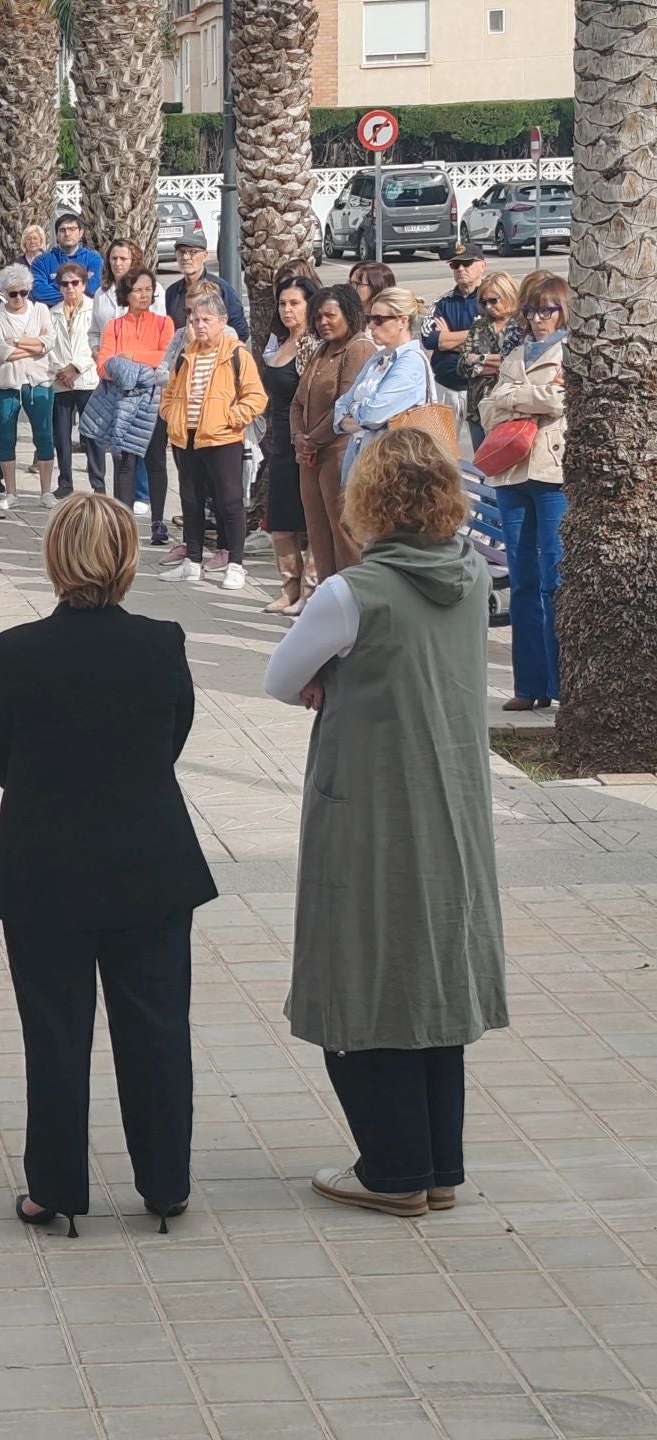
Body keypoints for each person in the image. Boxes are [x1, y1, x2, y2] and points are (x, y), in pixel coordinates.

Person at [262, 429, 504, 1217]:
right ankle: (439, 1166)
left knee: (361, 975)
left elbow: (277, 678)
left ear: (368, 500)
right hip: (455, 806)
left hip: (368, 806)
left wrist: (331, 673)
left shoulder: (350, 593)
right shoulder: (469, 576)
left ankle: (392, 1171)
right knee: (433, 976)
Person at [0, 493, 215, 1234]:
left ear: (53, 559)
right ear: (127, 560)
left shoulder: (15, 650)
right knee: (156, 1026)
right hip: (149, 859)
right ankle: (166, 1181)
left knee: (54, 1030)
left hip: (44, 864)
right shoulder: (162, 642)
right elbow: (173, 733)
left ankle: (53, 1187)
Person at [480, 272, 569, 712]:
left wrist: (514, 396)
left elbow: (561, 403)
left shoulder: (571, 351)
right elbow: (486, 406)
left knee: (554, 577)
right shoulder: (515, 352)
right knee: (523, 581)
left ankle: (561, 681)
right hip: (512, 473)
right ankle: (529, 684)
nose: (538, 319)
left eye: (547, 310)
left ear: (563, 310)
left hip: (551, 473)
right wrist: (531, 396)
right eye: (532, 310)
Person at [158, 287, 265, 590]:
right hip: (186, 437)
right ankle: (191, 560)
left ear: (222, 321)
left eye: (207, 319)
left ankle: (236, 563)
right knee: (190, 500)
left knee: (229, 501)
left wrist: (231, 418)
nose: (200, 325)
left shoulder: (235, 354)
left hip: (222, 438)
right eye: (195, 319)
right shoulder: (185, 355)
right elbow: (169, 390)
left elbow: (255, 397)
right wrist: (170, 413)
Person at [292, 285, 375, 581]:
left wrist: (313, 439)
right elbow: (298, 401)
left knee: (344, 532)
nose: (322, 322)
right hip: (310, 456)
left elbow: (347, 403)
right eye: (317, 317)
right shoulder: (321, 350)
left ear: (349, 315)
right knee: (318, 531)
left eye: (330, 315)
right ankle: (326, 598)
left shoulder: (358, 349)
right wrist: (299, 438)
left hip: (339, 453)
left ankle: (354, 598)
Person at [87, 269, 173, 523]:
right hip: (121, 403)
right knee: (123, 463)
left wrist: (131, 357)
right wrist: (143, 366)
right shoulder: (114, 326)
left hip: (154, 402)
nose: (144, 295)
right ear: (127, 293)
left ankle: (158, 521)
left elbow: (165, 359)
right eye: (138, 290)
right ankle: (121, 523)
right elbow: (104, 365)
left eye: (149, 290)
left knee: (156, 461)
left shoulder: (163, 323)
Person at [259, 276, 319, 614]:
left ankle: (309, 593)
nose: (287, 310)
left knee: (311, 522)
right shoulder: (279, 343)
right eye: (283, 303)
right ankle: (289, 588)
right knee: (280, 522)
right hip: (278, 443)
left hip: (305, 442)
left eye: (294, 303)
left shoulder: (312, 345)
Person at [332, 287, 431, 483]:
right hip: (362, 459)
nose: (370, 326)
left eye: (378, 320)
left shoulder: (411, 363)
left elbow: (372, 414)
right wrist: (359, 414)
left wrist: (355, 412)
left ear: (402, 321)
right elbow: (339, 408)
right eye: (369, 318)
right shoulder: (378, 358)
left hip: (397, 468)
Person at [0, 264, 54, 516]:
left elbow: (50, 342)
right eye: (13, 293)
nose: (19, 298)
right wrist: (34, 346)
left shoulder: (41, 310)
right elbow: (0, 351)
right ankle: (11, 493)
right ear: (4, 292)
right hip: (5, 384)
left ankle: (46, 491)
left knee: (44, 436)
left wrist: (16, 341)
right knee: (6, 438)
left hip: (38, 382)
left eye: (23, 292)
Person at [43, 264, 103, 506]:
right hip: (61, 382)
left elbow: (97, 344)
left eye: (74, 283)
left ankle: (98, 483)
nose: (70, 288)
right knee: (61, 435)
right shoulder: (51, 313)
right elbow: (46, 344)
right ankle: (65, 482)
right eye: (65, 283)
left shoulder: (94, 310)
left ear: (84, 285)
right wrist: (61, 370)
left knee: (91, 435)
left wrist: (76, 367)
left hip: (86, 380)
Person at [421, 241, 486, 447]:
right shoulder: (443, 303)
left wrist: (448, 338)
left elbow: (492, 341)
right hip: (446, 388)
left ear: (482, 265)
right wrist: (471, 337)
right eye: (455, 265)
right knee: (440, 452)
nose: (460, 269)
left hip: (480, 389)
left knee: (484, 452)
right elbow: (429, 339)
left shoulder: (492, 300)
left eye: (466, 264)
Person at [460, 271, 523, 449]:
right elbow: (463, 365)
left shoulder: (522, 325)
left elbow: (517, 365)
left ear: (509, 294)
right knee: (482, 466)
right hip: (477, 410)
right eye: (483, 302)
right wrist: (497, 365)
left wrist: (480, 359)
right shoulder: (479, 326)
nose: (488, 306)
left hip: (509, 409)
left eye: (493, 300)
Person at [164, 239, 249, 338]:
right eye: (181, 252)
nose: (186, 257)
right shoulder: (172, 292)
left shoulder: (221, 289)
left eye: (192, 252)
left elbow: (240, 330)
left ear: (205, 256)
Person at [91, 239, 163, 341]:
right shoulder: (101, 292)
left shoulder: (153, 289)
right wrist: (96, 351)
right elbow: (94, 332)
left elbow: (160, 328)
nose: (117, 263)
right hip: (108, 354)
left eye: (123, 259)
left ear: (134, 261)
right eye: (114, 258)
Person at [31, 213, 104, 307]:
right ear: (56, 235)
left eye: (72, 229)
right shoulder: (41, 262)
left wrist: (54, 285)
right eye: (62, 230)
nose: (67, 234)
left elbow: (93, 289)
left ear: (81, 233)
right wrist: (76, 289)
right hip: (53, 317)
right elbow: (39, 292)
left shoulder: (93, 259)